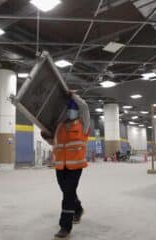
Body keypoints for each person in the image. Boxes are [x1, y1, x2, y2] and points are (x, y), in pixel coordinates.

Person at [41, 92, 90, 240]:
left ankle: (65, 227)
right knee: (67, 192)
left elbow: (85, 107)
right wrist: (46, 137)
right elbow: (55, 144)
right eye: (69, 109)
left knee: (67, 194)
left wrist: (74, 96)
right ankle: (78, 208)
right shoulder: (60, 126)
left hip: (76, 166)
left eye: (73, 109)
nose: (71, 112)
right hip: (60, 166)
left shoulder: (83, 125)